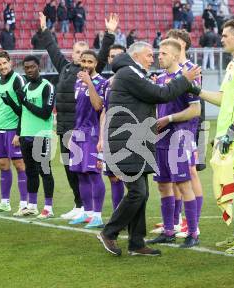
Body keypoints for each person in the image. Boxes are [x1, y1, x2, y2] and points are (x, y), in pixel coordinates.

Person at [96, 41, 201, 256]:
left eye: (156, 54)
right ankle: (109, 232)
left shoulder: (132, 73)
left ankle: (136, 243)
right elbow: (160, 95)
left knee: (141, 194)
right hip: (126, 143)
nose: (152, 58)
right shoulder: (128, 73)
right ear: (135, 56)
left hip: (136, 142)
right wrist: (185, 79)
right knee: (138, 192)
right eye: (148, 55)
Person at [36, 12, 117, 220]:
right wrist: (44, 30)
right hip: (64, 127)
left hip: (82, 127)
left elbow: (103, 52)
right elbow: (52, 49)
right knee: (70, 167)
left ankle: (87, 208)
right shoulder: (64, 68)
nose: (83, 57)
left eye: (85, 53)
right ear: (73, 55)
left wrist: (109, 34)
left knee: (87, 170)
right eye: (78, 53)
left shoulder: (92, 72)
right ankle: (79, 203)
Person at [192, 19, 234, 254]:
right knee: (233, 182)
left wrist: (231, 132)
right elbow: (223, 99)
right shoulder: (233, 65)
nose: (221, 39)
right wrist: (196, 91)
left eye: (225, 35)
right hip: (227, 135)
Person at [146, 39, 201, 248]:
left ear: (176, 56)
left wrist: (168, 119)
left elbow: (195, 110)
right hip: (161, 138)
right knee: (163, 185)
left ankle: (193, 233)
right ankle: (169, 231)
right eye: (159, 53)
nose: (159, 57)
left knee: (183, 184)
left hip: (179, 137)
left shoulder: (186, 79)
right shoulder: (159, 79)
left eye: (164, 53)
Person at [1, 55, 56, 218]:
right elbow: (22, 113)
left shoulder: (47, 86)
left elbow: (45, 113)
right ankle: (32, 205)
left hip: (41, 135)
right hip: (26, 135)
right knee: (30, 171)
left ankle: (48, 207)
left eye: (32, 67)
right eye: (26, 68)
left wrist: (24, 101)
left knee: (44, 171)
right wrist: (11, 102)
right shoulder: (25, 88)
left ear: (39, 67)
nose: (29, 70)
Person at [166, 28, 205, 238]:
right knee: (175, 177)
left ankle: (193, 222)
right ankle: (177, 220)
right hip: (173, 132)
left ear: (182, 44)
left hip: (190, 129)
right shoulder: (170, 70)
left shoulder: (191, 69)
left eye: (173, 40)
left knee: (191, 173)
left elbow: (195, 104)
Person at [68, 50, 107, 228]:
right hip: (78, 134)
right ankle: (87, 212)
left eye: (89, 61)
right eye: (83, 61)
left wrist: (89, 83)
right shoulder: (77, 82)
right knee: (80, 174)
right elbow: (78, 111)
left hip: (92, 134)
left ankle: (98, 215)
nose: (85, 65)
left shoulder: (102, 82)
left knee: (93, 173)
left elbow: (98, 106)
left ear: (96, 63)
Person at [0, 50, 28, 215]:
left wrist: (19, 132)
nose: (2, 66)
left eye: (5, 63)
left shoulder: (18, 80)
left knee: (19, 165)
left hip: (14, 130)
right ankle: (5, 202)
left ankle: (25, 203)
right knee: (2, 165)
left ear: (10, 62)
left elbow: (24, 107)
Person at [97, 44, 126, 211]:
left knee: (131, 179)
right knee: (114, 177)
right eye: (111, 56)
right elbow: (104, 111)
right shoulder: (107, 84)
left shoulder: (133, 79)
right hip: (111, 137)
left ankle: (133, 219)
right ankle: (118, 216)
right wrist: (102, 137)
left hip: (128, 137)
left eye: (118, 55)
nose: (114, 59)